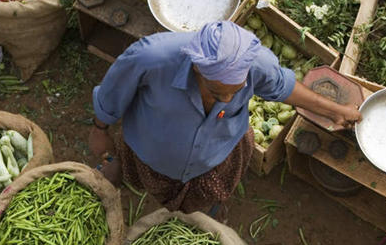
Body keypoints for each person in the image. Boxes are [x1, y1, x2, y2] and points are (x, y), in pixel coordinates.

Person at [89, 21, 362, 216]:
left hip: (218, 154)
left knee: (213, 189)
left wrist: (334, 111)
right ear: (197, 68)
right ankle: (172, 205)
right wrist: (100, 130)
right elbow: (113, 92)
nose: (228, 100)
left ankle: (207, 205)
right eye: (217, 91)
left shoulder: (254, 63)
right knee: (158, 186)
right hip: (153, 154)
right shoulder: (152, 58)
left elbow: (284, 88)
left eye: (236, 91)